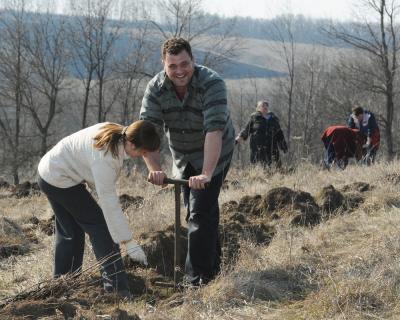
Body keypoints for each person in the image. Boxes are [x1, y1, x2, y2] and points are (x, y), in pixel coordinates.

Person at [139, 37, 235, 286]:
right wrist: (155, 169)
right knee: (197, 211)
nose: (179, 71)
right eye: (173, 66)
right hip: (182, 155)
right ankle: (214, 269)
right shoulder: (156, 88)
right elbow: (147, 134)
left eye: (184, 63)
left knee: (200, 211)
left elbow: (214, 131)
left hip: (215, 152)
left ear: (193, 60)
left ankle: (196, 281)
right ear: (164, 65)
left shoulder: (212, 83)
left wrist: (206, 174)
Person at [37, 120, 160, 296]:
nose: (142, 155)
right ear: (131, 144)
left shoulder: (117, 133)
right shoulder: (105, 157)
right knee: (101, 228)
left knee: (71, 231)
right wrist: (128, 241)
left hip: (49, 172)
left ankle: (62, 286)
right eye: (142, 151)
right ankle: (116, 288)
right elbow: (109, 204)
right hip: (58, 178)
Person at [235, 100, 288, 167]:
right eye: (263, 105)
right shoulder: (254, 119)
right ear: (258, 108)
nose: (265, 106)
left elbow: (279, 134)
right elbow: (246, 131)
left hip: (272, 148)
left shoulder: (274, 119)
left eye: (266, 105)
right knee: (258, 167)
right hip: (257, 149)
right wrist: (236, 140)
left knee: (274, 168)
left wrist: (283, 146)